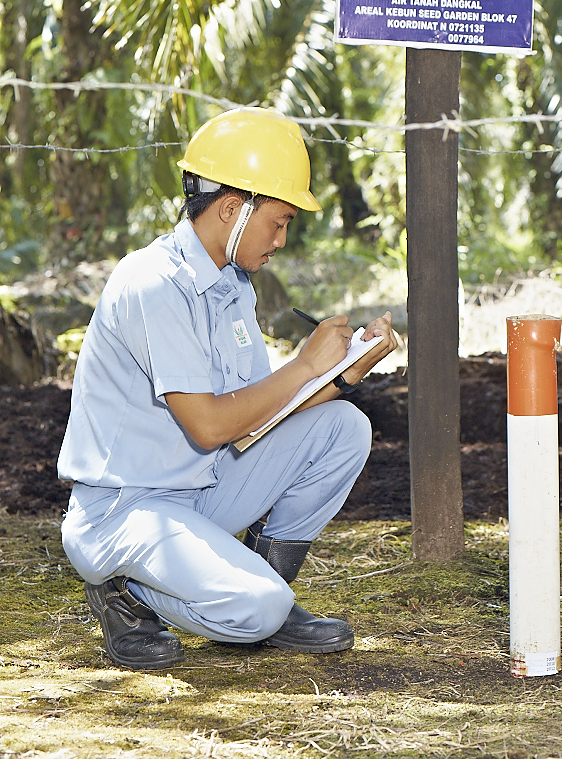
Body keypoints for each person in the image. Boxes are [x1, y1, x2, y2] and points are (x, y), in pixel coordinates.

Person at [58, 107, 397, 670]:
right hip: (127, 509)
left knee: (344, 428)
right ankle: (124, 587)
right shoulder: (152, 283)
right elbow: (211, 424)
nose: (282, 239)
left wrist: (341, 374)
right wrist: (303, 364)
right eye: (279, 221)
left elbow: (254, 418)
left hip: (200, 486)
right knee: (257, 611)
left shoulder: (232, 284)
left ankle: (264, 586)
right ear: (232, 209)